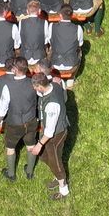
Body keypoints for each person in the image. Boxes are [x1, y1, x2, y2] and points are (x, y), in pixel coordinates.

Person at [0, 60, 40, 183]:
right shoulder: (33, 83)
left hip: (14, 123)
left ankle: (11, 174)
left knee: (10, 148)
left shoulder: (8, 87)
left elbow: (2, 108)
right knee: (31, 145)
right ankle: (29, 172)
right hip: (31, 120)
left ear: (14, 69)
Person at [33, 68, 71, 200]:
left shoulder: (52, 104)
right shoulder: (54, 84)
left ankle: (63, 189)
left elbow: (49, 131)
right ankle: (57, 175)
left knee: (55, 160)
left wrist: (39, 144)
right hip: (48, 132)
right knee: (44, 157)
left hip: (56, 134)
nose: (35, 90)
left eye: (35, 87)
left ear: (40, 86)